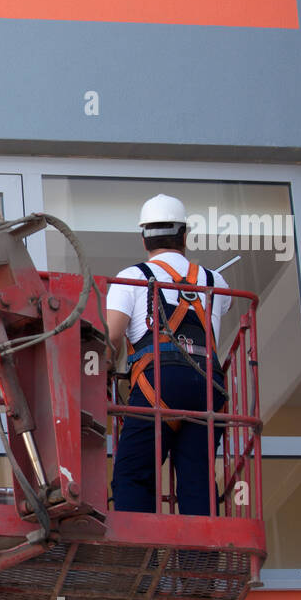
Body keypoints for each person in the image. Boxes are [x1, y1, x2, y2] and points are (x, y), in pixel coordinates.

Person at [105, 194, 230, 515]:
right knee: (197, 477)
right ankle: (200, 559)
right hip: (207, 387)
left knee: (133, 473)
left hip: (158, 384)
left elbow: (112, 337)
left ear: (143, 238)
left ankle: (137, 560)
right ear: (185, 236)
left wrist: (104, 372)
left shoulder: (130, 278)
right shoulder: (217, 282)